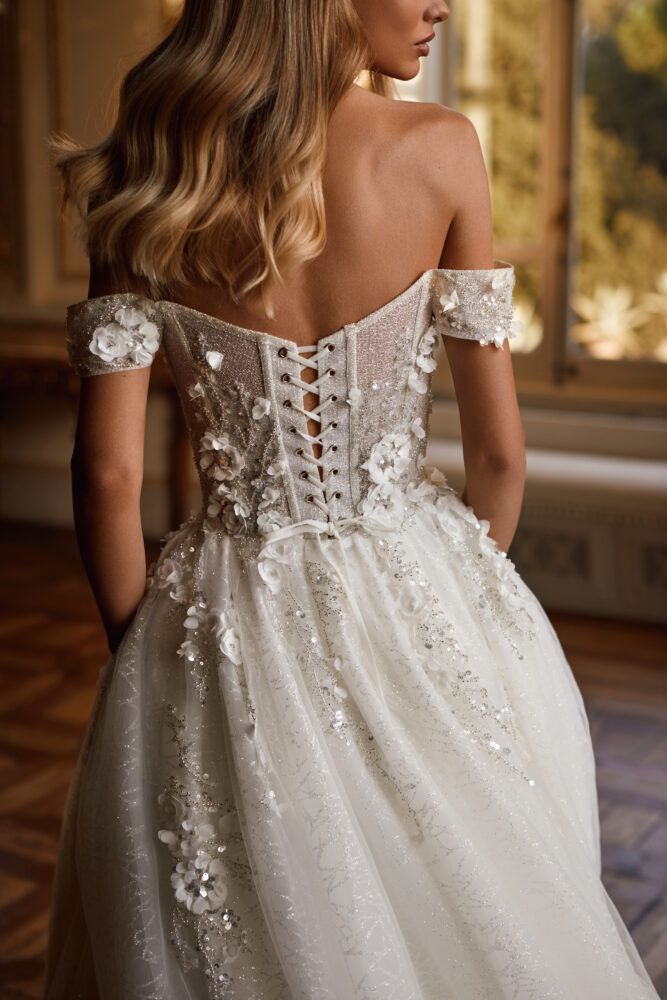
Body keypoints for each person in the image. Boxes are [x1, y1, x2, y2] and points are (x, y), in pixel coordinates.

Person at [44, 1, 660, 998]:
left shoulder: (154, 164)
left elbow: (107, 478)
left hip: (222, 610)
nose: (440, 7)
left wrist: (151, 665)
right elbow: (500, 457)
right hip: (418, 577)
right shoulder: (442, 148)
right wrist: (457, 601)